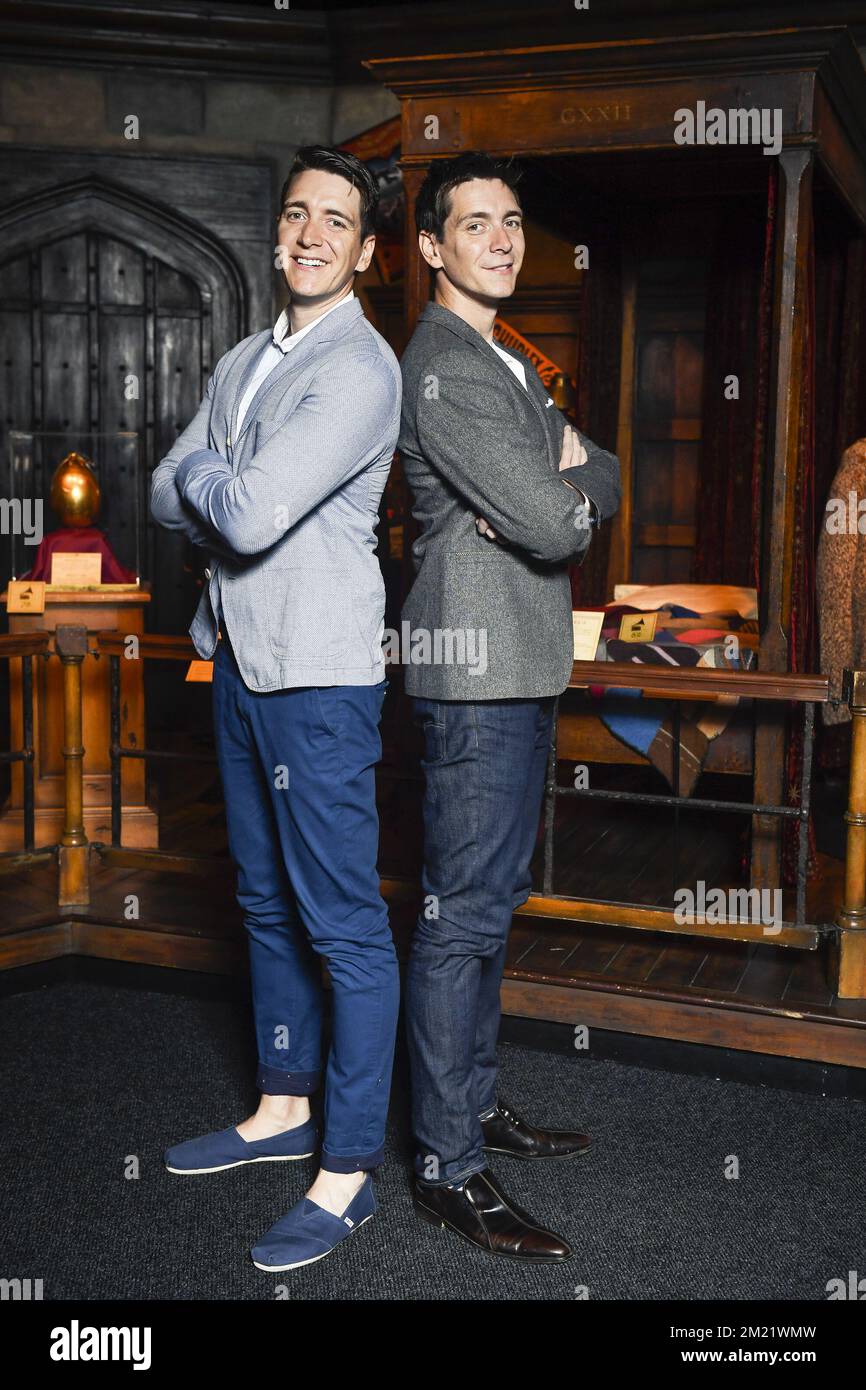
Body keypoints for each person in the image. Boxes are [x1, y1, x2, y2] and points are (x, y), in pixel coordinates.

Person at [150, 145, 402, 1272]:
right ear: (277, 230)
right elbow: (161, 486)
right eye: (296, 213)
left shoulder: (359, 366)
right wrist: (216, 480)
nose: (309, 234)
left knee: (343, 924)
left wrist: (214, 478)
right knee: (260, 903)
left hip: (321, 681)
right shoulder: (248, 354)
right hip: (239, 663)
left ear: (365, 250)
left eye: (333, 221)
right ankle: (281, 1106)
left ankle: (345, 1169)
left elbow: (235, 513)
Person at [399, 151, 621, 1261]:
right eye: (473, 222)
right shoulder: (443, 365)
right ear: (432, 247)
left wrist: (561, 491)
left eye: (512, 220)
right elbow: (548, 523)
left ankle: (470, 1109)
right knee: (459, 918)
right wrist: (558, 495)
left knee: (488, 905)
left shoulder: (509, 361)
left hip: (521, 666)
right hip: (474, 669)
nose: (500, 237)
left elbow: (600, 479)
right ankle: (444, 1165)